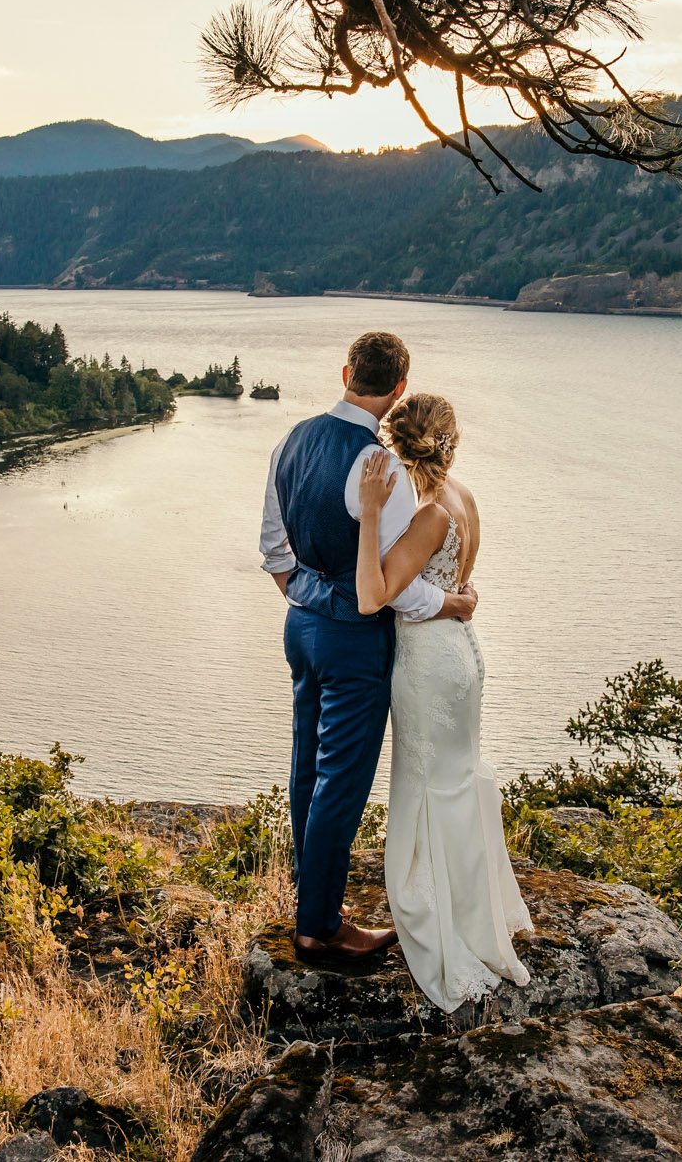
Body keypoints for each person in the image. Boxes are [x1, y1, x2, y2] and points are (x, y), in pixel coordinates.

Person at [259, 332, 479, 962]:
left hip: (300, 627)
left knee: (307, 766)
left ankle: (313, 898)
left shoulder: (290, 441)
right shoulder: (381, 470)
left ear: (348, 370)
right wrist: (451, 604)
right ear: (399, 389)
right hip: (354, 641)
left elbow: (274, 548)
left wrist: (305, 597)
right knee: (342, 781)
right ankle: (318, 928)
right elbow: (392, 592)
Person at [354, 393, 532, 1009]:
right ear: (449, 441)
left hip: (430, 662)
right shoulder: (464, 498)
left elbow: (373, 595)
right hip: (463, 652)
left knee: (428, 781)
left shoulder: (428, 514)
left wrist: (373, 513)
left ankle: (441, 917)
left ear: (400, 444)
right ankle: (477, 908)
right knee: (457, 777)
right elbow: (458, 582)